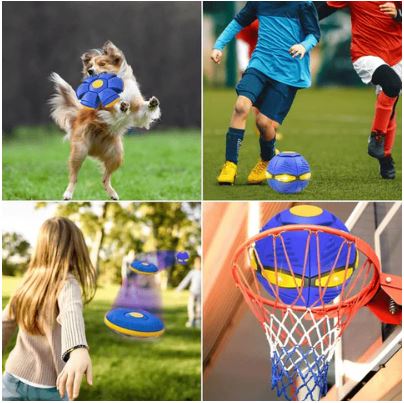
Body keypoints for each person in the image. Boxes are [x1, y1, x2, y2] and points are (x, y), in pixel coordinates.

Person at [212, 2, 320, 185]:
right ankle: (230, 164)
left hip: (288, 73)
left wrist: (303, 46)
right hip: (260, 64)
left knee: (263, 123)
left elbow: (314, 35)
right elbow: (238, 22)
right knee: (240, 106)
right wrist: (218, 45)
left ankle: (267, 159)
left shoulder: (303, 4)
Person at [2, 217, 96, 401]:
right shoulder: (68, 284)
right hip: (51, 389)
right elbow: (72, 311)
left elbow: (4, 323)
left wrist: (77, 349)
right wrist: (78, 349)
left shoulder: (28, 281)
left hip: (11, 378)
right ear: (75, 249)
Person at [316, 1, 402, 179]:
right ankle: (377, 136)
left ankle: (385, 157)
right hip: (365, 54)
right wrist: (294, 23)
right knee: (392, 85)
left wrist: (398, 15)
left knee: (391, 108)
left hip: (397, 54)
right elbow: (322, 10)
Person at [176, 256, 201, 328]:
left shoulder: (202, 273)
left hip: (200, 293)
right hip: (192, 292)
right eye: (197, 263)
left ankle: (198, 321)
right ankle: (191, 320)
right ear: (194, 264)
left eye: (199, 263)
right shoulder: (192, 272)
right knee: (190, 306)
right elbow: (186, 281)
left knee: (199, 307)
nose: (198, 265)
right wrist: (179, 288)